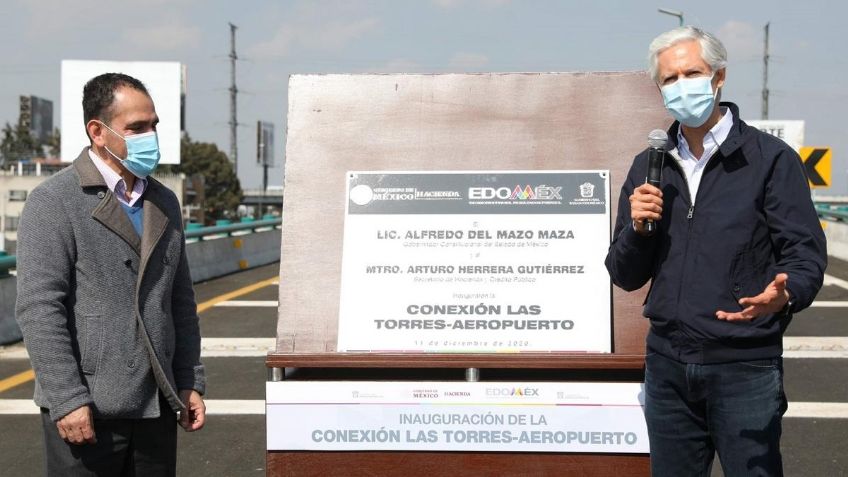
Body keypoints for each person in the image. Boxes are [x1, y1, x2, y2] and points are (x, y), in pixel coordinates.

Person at [605, 26, 826, 476]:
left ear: (719, 77)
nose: (682, 86)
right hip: (667, 365)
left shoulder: (770, 158)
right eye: (670, 79)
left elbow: (804, 254)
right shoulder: (650, 165)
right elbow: (625, 273)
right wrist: (639, 229)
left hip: (744, 364)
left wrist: (785, 293)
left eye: (693, 73)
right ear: (658, 88)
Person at [16, 73, 206, 476]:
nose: (149, 136)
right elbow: (39, 309)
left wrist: (189, 379)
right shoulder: (54, 202)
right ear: (98, 132)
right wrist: (67, 398)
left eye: (153, 125)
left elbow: (180, 301)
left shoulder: (164, 201)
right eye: (136, 128)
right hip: (89, 411)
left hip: (156, 405)